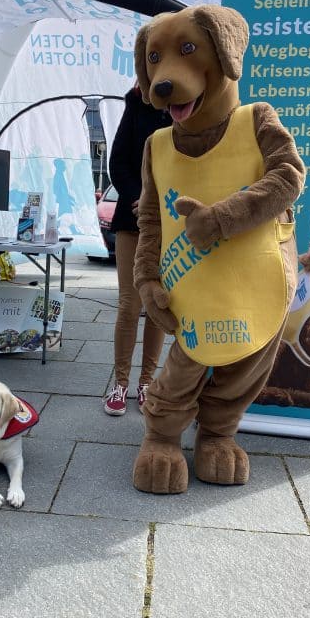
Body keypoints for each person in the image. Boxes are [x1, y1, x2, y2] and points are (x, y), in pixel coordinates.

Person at [103, 86, 172, 416]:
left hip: (170, 222)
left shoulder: (191, 106)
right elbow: (117, 162)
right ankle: (119, 382)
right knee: (130, 303)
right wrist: (138, 197)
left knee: (159, 302)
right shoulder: (135, 104)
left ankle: (147, 382)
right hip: (132, 218)